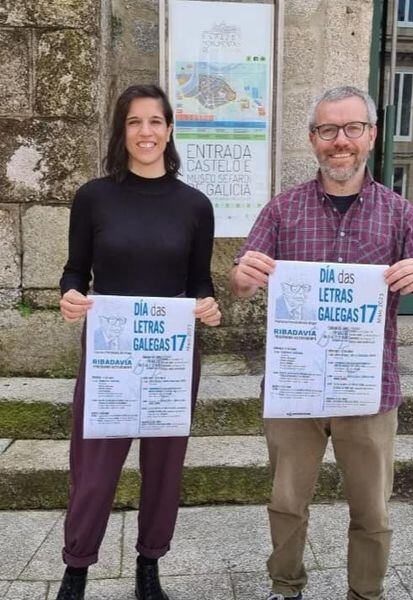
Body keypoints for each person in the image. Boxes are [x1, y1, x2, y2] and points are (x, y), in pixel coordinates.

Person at [230, 85, 413, 600]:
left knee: (372, 509)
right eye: (328, 130)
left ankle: (365, 594)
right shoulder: (282, 211)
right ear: (313, 140)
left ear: (371, 136)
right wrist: (244, 274)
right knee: (286, 500)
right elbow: (241, 285)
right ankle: (285, 588)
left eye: (352, 128)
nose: (340, 141)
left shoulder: (400, 213)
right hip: (295, 388)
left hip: (369, 388)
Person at [57, 84, 221, 600]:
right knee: (94, 465)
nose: (145, 132)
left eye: (155, 121)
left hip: (171, 352)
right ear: (121, 131)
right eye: (134, 122)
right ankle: (76, 568)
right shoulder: (94, 197)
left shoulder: (195, 205)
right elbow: (73, 272)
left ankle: (149, 566)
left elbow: (200, 281)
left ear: (170, 129)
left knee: (165, 464)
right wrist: (68, 296)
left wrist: (208, 305)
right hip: (111, 349)